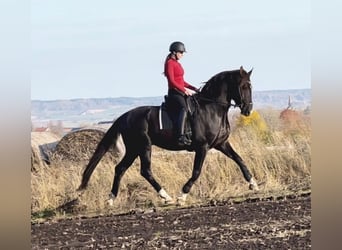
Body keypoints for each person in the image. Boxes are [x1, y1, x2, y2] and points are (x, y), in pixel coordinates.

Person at [164, 41, 198, 146]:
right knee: (184, 109)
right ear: (174, 52)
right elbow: (172, 81)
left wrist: (194, 88)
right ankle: (180, 136)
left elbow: (181, 81)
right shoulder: (169, 63)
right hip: (174, 93)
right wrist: (184, 90)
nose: (182, 55)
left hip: (180, 92)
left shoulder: (177, 64)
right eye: (181, 52)